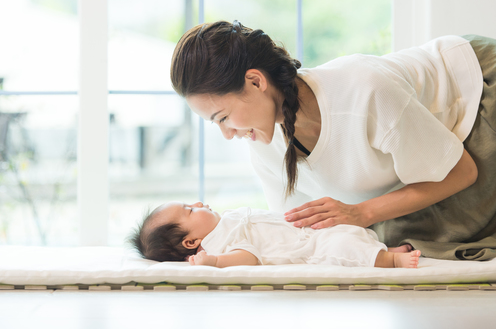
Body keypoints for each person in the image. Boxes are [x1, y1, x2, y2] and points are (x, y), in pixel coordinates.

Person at [170, 20, 496, 261]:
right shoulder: (262, 141)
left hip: (477, 89)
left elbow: (462, 173)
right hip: (424, 134)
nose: (227, 134)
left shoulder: (365, 91)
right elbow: (299, 238)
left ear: (255, 82)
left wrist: (363, 212)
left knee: (430, 238)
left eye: (223, 118)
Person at [129, 201, 421, 269]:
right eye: (190, 211)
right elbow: (249, 258)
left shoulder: (225, 221)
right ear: (191, 243)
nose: (198, 204)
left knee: (346, 231)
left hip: (306, 232)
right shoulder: (219, 245)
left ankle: (385, 250)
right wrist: (216, 261)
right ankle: (391, 262)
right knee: (343, 247)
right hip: (307, 249)